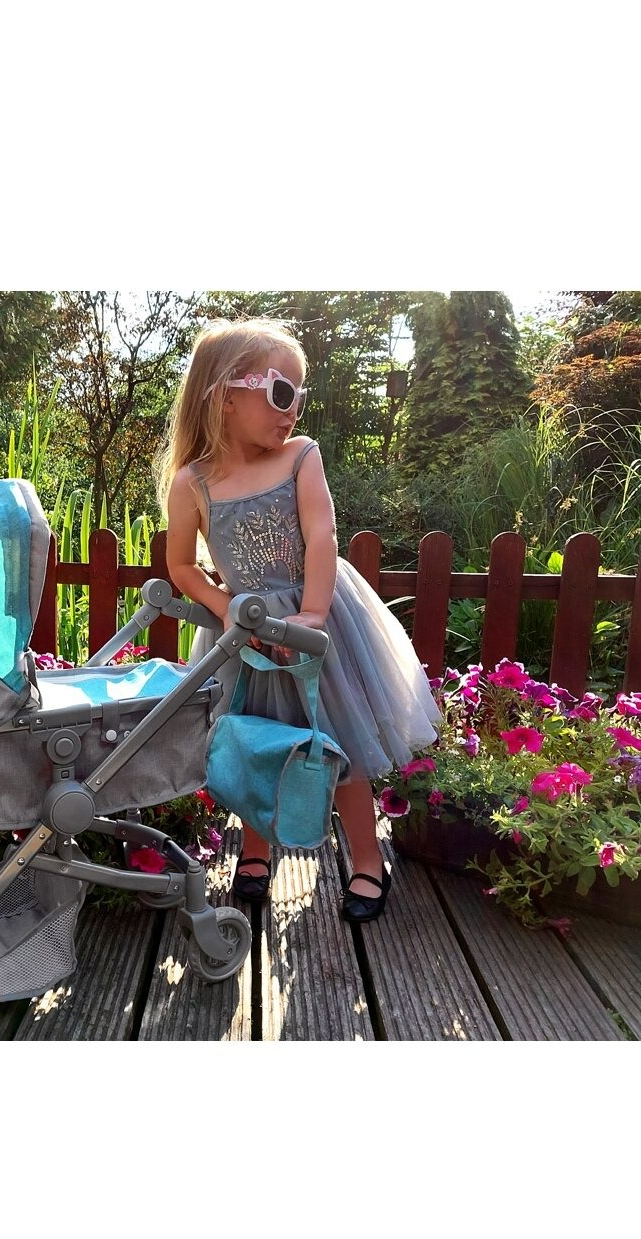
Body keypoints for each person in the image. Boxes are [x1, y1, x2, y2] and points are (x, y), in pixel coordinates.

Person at [155, 317, 440, 922]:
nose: (292, 411)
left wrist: (312, 612)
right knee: (258, 739)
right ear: (225, 395)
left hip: (317, 623)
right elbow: (181, 566)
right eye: (281, 393)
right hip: (247, 633)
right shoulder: (193, 483)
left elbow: (321, 534)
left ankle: (367, 859)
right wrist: (229, 611)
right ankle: (255, 852)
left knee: (339, 739)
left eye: (299, 397)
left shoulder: (299, 457)